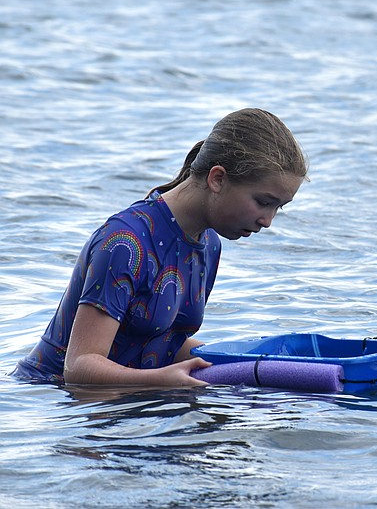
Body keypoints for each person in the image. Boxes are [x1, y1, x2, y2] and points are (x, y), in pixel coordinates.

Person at [12, 108, 309, 387]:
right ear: (217, 179)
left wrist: (249, 360)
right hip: (50, 399)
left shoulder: (208, 244)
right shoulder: (125, 243)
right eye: (263, 202)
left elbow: (159, 342)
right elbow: (79, 367)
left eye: (278, 207)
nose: (267, 221)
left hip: (122, 400)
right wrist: (161, 380)